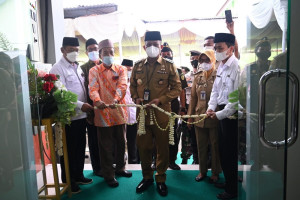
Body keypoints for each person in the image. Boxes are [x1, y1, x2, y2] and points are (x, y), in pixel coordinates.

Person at [130, 31, 182, 196]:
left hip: (161, 114)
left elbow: (177, 89)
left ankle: (160, 179)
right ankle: (146, 178)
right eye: (149, 44)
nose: (152, 47)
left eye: (156, 44)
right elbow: (131, 86)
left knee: (162, 148)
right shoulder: (137, 66)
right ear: (145, 46)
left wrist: (161, 100)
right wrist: (136, 98)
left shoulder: (169, 66)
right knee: (143, 147)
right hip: (143, 114)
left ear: (160, 46)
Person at [50, 37, 94, 194]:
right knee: (69, 151)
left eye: (76, 50)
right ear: (62, 50)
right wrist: (82, 105)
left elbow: (83, 88)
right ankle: (69, 180)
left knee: (80, 148)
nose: (74, 53)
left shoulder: (77, 67)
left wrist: (86, 108)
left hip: (81, 116)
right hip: (68, 117)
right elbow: (60, 93)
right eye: (70, 50)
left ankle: (79, 175)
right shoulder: (57, 69)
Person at [88, 39, 132, 188]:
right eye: (105, 52)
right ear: (100, 54)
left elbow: (123, 85)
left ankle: (120, 168)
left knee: (121, 142)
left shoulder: (121, 69)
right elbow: (92, 88)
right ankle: (108, 174)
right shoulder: (94, 71)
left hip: (119, 110)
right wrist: (97, 100)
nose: (109, 54)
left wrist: (116, 99)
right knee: (105, 145)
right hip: (102, 113)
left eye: (111, 52)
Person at [206, 33, 240, 200]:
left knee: (229, 153)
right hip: (220, 113)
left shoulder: (237, 67)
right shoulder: (220, 65)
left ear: (230, 49)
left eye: (220, 48)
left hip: (231, 116)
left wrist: (218, 114)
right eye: (215, 48)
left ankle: (232, 190)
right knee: (222, 151)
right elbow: (215, 90)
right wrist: (211, 108)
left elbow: (235, 101)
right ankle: (228, 182)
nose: (217, 51)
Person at [187, 50, 222, 184]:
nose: (204, 63)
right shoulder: (198, 76)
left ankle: (215, 172)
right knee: (201, 145)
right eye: (201, 61)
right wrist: (190, 117)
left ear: (213, 60)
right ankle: (202, 171)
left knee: (215, 145)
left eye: (207, 60)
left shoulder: (218, 74)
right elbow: (193, 98)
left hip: (214, 116)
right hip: (199, 116)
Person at [240, 37, 272, 166]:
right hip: (253, 107)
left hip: (270, 107)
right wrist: (244, 107)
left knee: (270, 133)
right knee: (254, 135)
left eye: (266, 48)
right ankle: (257, 161)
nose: (264, 50)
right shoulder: (249, 68)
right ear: (256, 51)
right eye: (261, 48)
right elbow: (242, 88)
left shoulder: (274, 66)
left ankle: (270, 160)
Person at [161, 42, 188, 170]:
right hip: (159, 105)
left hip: (173, 105)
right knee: (159, 134)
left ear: (172, 55)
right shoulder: (156, 69)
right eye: (164, 54)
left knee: (173, 134)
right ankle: (158, 160)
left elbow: (182, 90)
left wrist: (182, 107)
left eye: (169, 54)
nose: (167, 56)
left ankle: (172, 160)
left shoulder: (178, 71)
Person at [80, 38, 102, 177]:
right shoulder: (82, 69)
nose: (93, 51)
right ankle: (97, 168)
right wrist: (89, 114)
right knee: (94, 141)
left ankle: (108, 164)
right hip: (92, 111)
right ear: (86, 51)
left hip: (107, 110)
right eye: (90, 49)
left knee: (107, 140)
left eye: (95, 49)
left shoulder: (106, 65)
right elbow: (83, 92)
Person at [183, 50, 201, 164]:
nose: (193, 60)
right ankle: (194, 159)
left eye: (196, 58)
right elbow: (183, 93)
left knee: (200, 135)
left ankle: (202, 159)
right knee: (189, 136)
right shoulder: (186, 77)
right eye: (192, 58)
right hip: (188, 108)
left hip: (201, 108)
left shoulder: (204, 74)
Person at [121, 58, 139, 164]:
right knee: (121, 141)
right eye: (126, 69)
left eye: (130, 69)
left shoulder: (135, 82)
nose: (128, 71)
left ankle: (134, 161)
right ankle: (121, 162)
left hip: (133, 116)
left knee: (133, 141)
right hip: (121, 116)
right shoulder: (117, 81)